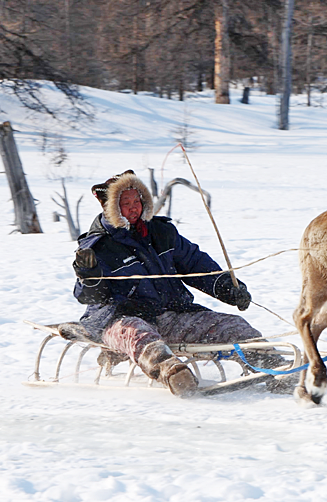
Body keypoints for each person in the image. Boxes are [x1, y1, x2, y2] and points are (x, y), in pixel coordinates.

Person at [72, 170, 269, 397]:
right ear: (111, 207)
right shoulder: (98, 247)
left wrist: (228, 288)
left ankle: (271, 364)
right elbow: (87, 297)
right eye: (126, 203)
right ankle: (173, 373)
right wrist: (89, 275)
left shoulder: (161, 232)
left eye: (137, 201)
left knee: (234, 326)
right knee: (140, 335)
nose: (134, 207)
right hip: (118, 320)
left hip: (171, 314)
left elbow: (195, 263)